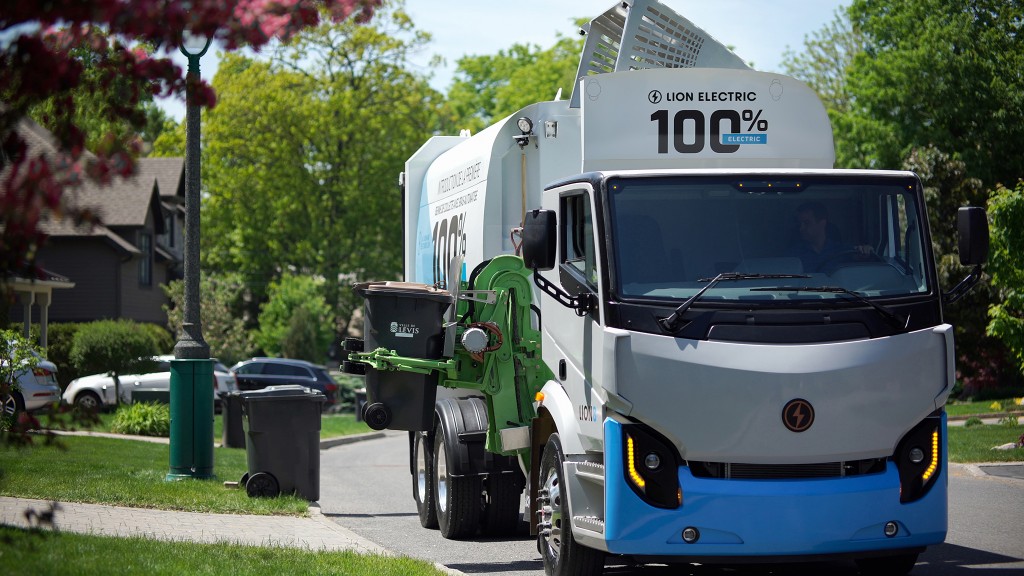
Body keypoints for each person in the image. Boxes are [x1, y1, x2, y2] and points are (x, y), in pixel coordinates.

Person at [790, 201, 871, 271]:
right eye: (800, 224)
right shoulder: (793, 255)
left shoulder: (844, 251)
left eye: (806, 223)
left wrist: (866, 252)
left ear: (822, 223)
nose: (801, 228)